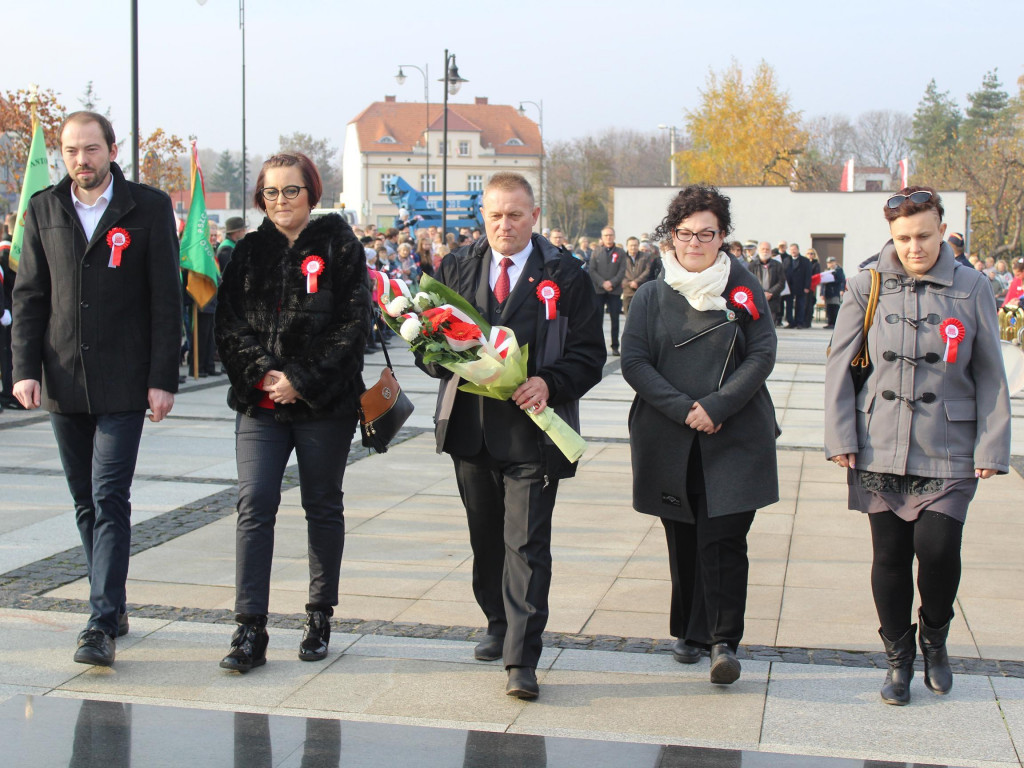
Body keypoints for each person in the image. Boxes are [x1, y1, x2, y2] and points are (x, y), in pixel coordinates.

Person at [421, 172, 605, 699]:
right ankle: (497, 621)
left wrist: (550, 381)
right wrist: (437, 353)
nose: (505, 225)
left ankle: (521, 657)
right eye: (496, 215)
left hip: (533, 435)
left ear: (534, 217)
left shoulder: (565, 274)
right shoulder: (456, 267)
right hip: (470, 432)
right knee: (486, 539)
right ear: (483, 215)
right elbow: (427, 343)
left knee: (526, 543)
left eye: (516, 215)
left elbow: (590, 353)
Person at [824, 186, 1010, 706]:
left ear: (941, 229)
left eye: (923, 236)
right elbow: (840, 365)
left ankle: (935, 637)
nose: (914, 247)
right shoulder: (868, 285)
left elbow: (991, 372)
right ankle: (898, 660)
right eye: (902, 238)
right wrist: (840, 436)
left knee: (937, 549)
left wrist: (993, 447)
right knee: (888, 556)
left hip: (949, 443)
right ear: (890, 235)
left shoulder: (972, 287)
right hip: (877, 441)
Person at [11, 111, 181, 666]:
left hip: (126, 381)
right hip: (63, 378)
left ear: (112, 149)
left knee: (110, 496)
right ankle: (114, 600)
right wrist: (23, 369)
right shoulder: (43, 208)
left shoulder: (148, 208)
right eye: (70, 151)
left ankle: (100, 621)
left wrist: (162, 379)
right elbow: (30, 296)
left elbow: (164, 298)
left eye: (90, 149)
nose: (80, 161)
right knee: (85, 500)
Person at [214, 152, 371, 673]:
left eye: (291, 191)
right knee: (254, 503)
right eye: (271, 192)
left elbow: (352, 325)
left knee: (322, 504)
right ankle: (249, 626)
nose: (281, 201)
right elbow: (229, 323)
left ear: (312, 193)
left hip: (324, 403)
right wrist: (263, 374)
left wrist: (299, 380)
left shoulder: (339, 244)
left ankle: (319, 614)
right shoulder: (247, 250)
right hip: (259, 405)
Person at [621, 184, 779, 685]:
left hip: (734, 432)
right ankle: (689, 631)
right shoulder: (651, 294)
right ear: (672, 236)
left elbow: (762, 352)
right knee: (683, 536)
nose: (694, 242)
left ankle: (723, 640)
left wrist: (717, 406)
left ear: (722, 236)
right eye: (685, 233)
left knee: (725, 538)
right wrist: (683, 408)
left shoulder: (744, 287)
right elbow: (634, 361)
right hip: (671, 434)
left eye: (706, 233)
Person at [589, 226, 627, 355]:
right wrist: (602, 283)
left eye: (610, 235)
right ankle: (598, 346)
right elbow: (592, 270)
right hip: (599, 290)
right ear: (602, 237)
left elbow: (622, 270)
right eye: (606, 235)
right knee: (597, 319)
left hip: (614, 290)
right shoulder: (596, 251)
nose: (608, 238)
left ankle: (615, 346)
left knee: (615, 319)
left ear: (614, 237)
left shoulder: (620, 252)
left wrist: (612, 282)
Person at [749, 240, 785, 326]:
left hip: (772, 300)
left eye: (767, 249)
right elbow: (749, 282)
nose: (765, 251)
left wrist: (770, 293)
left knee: (771, 326)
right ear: (759, 250)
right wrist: (761, 293)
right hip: (757, 299)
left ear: (771, 251)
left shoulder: (778, 265)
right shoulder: (752, 266)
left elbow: (781, 282)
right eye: (763, 249)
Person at [621, 236, 652, 315]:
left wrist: (636, 281)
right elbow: (618, 272)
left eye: (635, 245)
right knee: (628, 316)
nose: (633, 247)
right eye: (631, 245)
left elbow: (648, 270)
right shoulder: (622, 257)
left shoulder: (645, 256)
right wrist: (629, 283)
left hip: (641, 288)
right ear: (627, 246)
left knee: (641, 315)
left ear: (638, 246)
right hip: (627, 290)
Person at [784, 243, 812, 328]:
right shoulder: (786, 260)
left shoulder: (805, 261)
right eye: (791, 249)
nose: (793, 251)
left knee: (800, 305)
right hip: (789, 287)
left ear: (798, 250)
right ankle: (790, 322)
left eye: (794, 249)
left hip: (801, 286)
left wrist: (807, 286)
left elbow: (808, 274)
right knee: (789, 305)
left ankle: (799, 322)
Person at [821, 255, 846, 329]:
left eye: (832, 262)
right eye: (829, 263)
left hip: (835, 291)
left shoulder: (839, 270)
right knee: (828, 308)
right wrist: (822, 293)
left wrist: (842, 289)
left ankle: (835, 323)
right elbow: (823, 283)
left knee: (835, 307)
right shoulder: (826, 271)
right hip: (828, 292)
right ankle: (830, 322)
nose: (830, 264)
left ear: (835, 262)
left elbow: (842, 280)